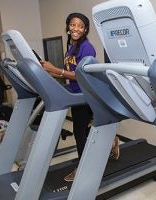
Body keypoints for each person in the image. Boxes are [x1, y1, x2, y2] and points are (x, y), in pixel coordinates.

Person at [40, 12, 120, 182]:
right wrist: (48, 72)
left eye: (80, 26)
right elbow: (67, 73)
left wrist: (55, 70)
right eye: (73, 25)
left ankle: (84, 167)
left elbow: (81, 74)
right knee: (84, 129)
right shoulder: (71, 48)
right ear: (68, 27)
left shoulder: (87, 47)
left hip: (86, 94)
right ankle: (111, 142)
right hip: (75, 94)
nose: (76, 28)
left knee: (79, 131)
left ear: (85, 30)